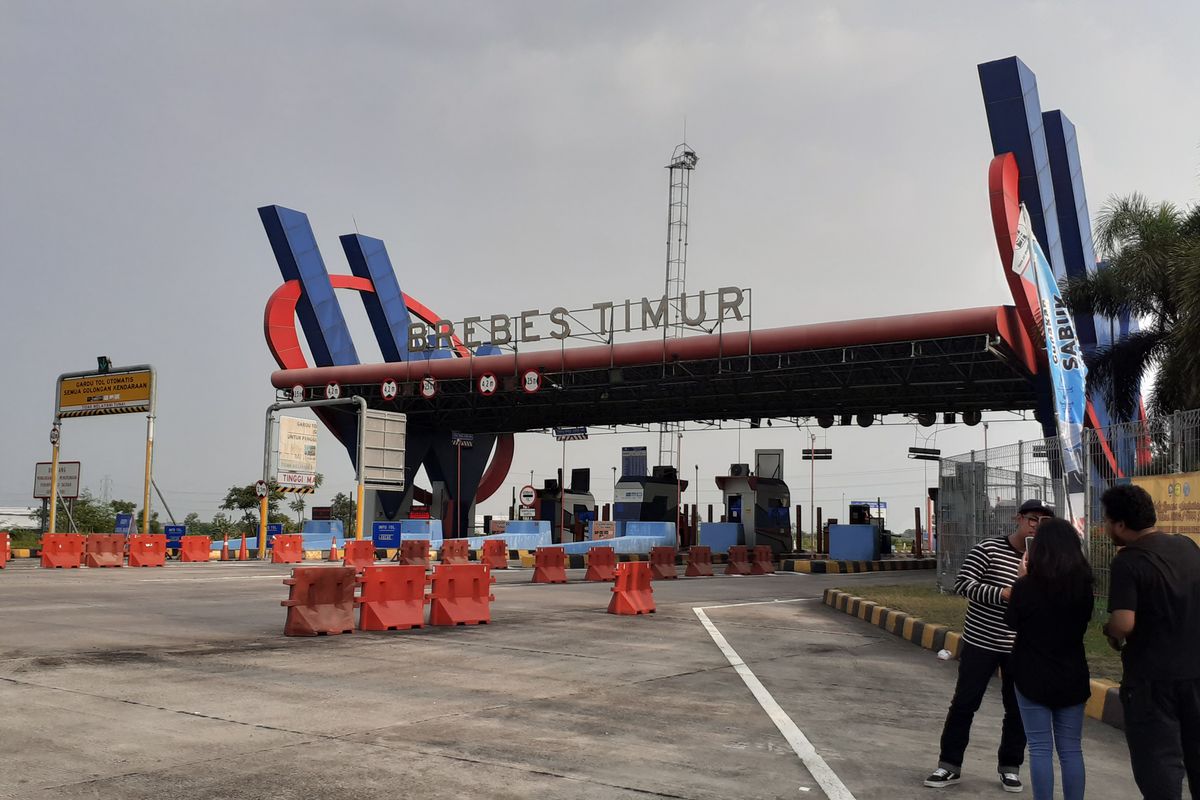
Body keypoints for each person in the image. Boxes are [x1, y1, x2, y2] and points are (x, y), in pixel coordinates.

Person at [925, 498, 1050, 791]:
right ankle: (949, 765)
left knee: (1017, 709)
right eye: (1032, 519)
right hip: (981, 641)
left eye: (1044, 521)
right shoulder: (988, 549)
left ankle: (1010, 767)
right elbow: (963, 584)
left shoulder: (1044, 559)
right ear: (1018, 518)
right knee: (965, 703)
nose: (1036, 526)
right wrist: (1002, 594)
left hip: (1020, 646)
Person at [1102, 483, 1200, 800]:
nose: (1105, 527)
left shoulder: (1128, 561)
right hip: (1195, 672)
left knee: (1159, 766)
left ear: (1120, 524)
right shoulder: (1187, 546)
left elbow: (1123, 623)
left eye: (1107, 521)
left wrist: (1110, 632)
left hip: (1151, 682)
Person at [1005, 517, 1094, 800]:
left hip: (1031, 674)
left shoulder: (1026, 586)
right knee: (1071, 749)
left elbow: (1012, 621)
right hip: (1072, 674)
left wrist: (1020, 579)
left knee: (1040, 747)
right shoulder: (1084, 586)